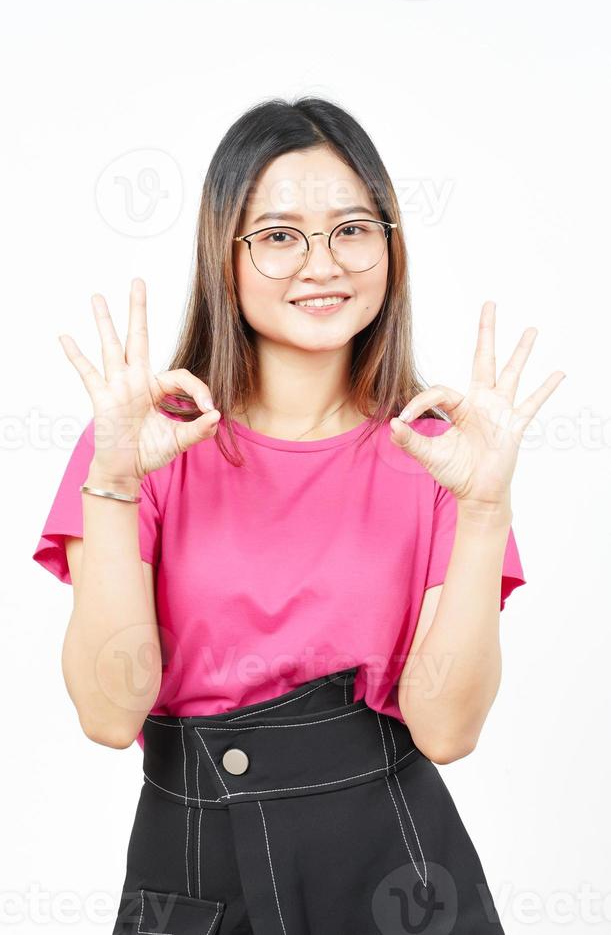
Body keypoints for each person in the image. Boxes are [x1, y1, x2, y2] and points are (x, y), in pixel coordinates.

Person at [32, 96, 564, 934]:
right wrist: (113, 481)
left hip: (397, 873)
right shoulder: (144, 442)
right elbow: (107, 715)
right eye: (279, 235)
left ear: (389, 247)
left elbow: (447, 730)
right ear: (225, 255)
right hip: (193, 869)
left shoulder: (439, 456)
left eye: (352, 229)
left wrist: (485, 507)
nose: (322, 264)